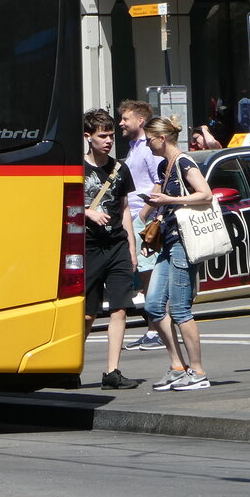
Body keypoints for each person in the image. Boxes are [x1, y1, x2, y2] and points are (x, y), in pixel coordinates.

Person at [141, 115, 214, 391]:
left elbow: (205, 193)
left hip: (185, 241)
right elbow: (165, 204)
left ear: (162, 138)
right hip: (169, 240)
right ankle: (177, 366)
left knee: (181, 309)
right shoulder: (165, 166)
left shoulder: (184, 161)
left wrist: (170, 199)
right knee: (153, 305)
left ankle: (198, 372)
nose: (148, 146)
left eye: (150, 140)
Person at [82, 109, 139, 389]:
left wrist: (132, 247)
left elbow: (126, 209)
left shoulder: (120, 168)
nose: (108, 141)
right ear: (87, 137)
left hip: (116, 244)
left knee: (119, 308)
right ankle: (70, 366)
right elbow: (59, 204)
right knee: (87, 314)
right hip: (88, 247)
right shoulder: (76, 169)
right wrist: (87, 213)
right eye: (102, 135)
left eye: (111, 135)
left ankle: (112, 372)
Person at [118, 100, 165, 351]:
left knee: (151, 277)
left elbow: (159, 182)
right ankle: (153, 330)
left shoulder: (148, 148)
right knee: (145, 277)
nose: (121, 123)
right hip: (134, 218)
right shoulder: (134, 147)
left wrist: (144, 216)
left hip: (144, 220)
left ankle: (157, 331)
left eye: (126, 119)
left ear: (140, 121)